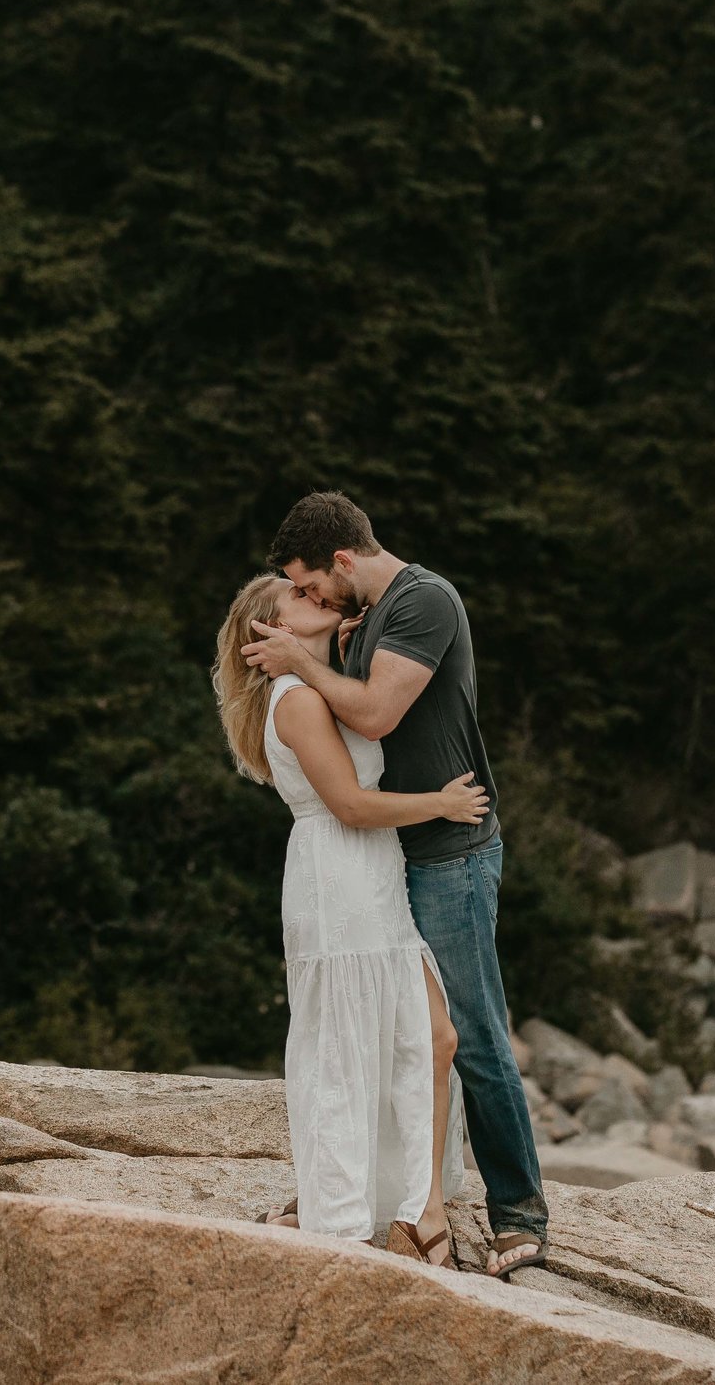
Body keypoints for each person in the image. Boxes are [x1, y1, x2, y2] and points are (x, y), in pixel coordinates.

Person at [239, 491, 550, 1277]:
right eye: (298, 597)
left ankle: (517, 1213)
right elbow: (336, 747)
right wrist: (319, 654)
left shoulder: (424, 601)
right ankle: (382, 1200)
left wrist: (308, 656)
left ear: (342, 562)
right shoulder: (362, 620)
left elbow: (374, 712)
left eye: (311, 585)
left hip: (447, 851)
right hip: (383, 857)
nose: (311, 600)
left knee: (466, 1032)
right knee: (390, 1033)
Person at [211, 573, 481, 1265]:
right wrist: (440, 804)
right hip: (338, 876)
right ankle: (355, 1216)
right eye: (298, 598)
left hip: (374, 877)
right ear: (267, 632)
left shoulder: (322, 684)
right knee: (348, 1049)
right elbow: (351, 805)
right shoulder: (294, 700)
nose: (316, 597)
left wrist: (341, 640)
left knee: (433, 1036)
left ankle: (416, 1208)